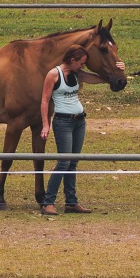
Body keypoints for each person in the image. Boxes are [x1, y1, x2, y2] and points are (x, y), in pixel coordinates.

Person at [39, 44, 105, 214]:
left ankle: (71, 202)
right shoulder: (54, 74)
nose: (83, 66)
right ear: (72, 59)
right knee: (64, 162)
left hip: (79, 121)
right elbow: (45, 101)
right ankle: (48, 202)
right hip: (63, 122)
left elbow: (98, 78)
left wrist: (118, 70)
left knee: (73, 162)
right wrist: (46, 124)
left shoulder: (77, 74)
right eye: (81, 63)